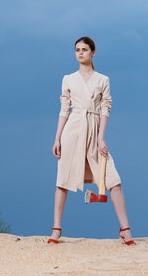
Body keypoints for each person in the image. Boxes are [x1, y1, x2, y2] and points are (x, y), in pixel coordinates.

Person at [48, 36, 136, 246]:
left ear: (93, 52)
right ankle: (56, 229)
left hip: (95, 130)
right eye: (77, 50)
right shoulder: (68, 78)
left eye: (85, 49)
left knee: (113, 180)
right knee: (63, 180)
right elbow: (63, 110)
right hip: (73, 130)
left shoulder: (102, 79)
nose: (80, 53)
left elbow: (106, 107)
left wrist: (101, 138)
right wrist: (57, 138)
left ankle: (125, 230)